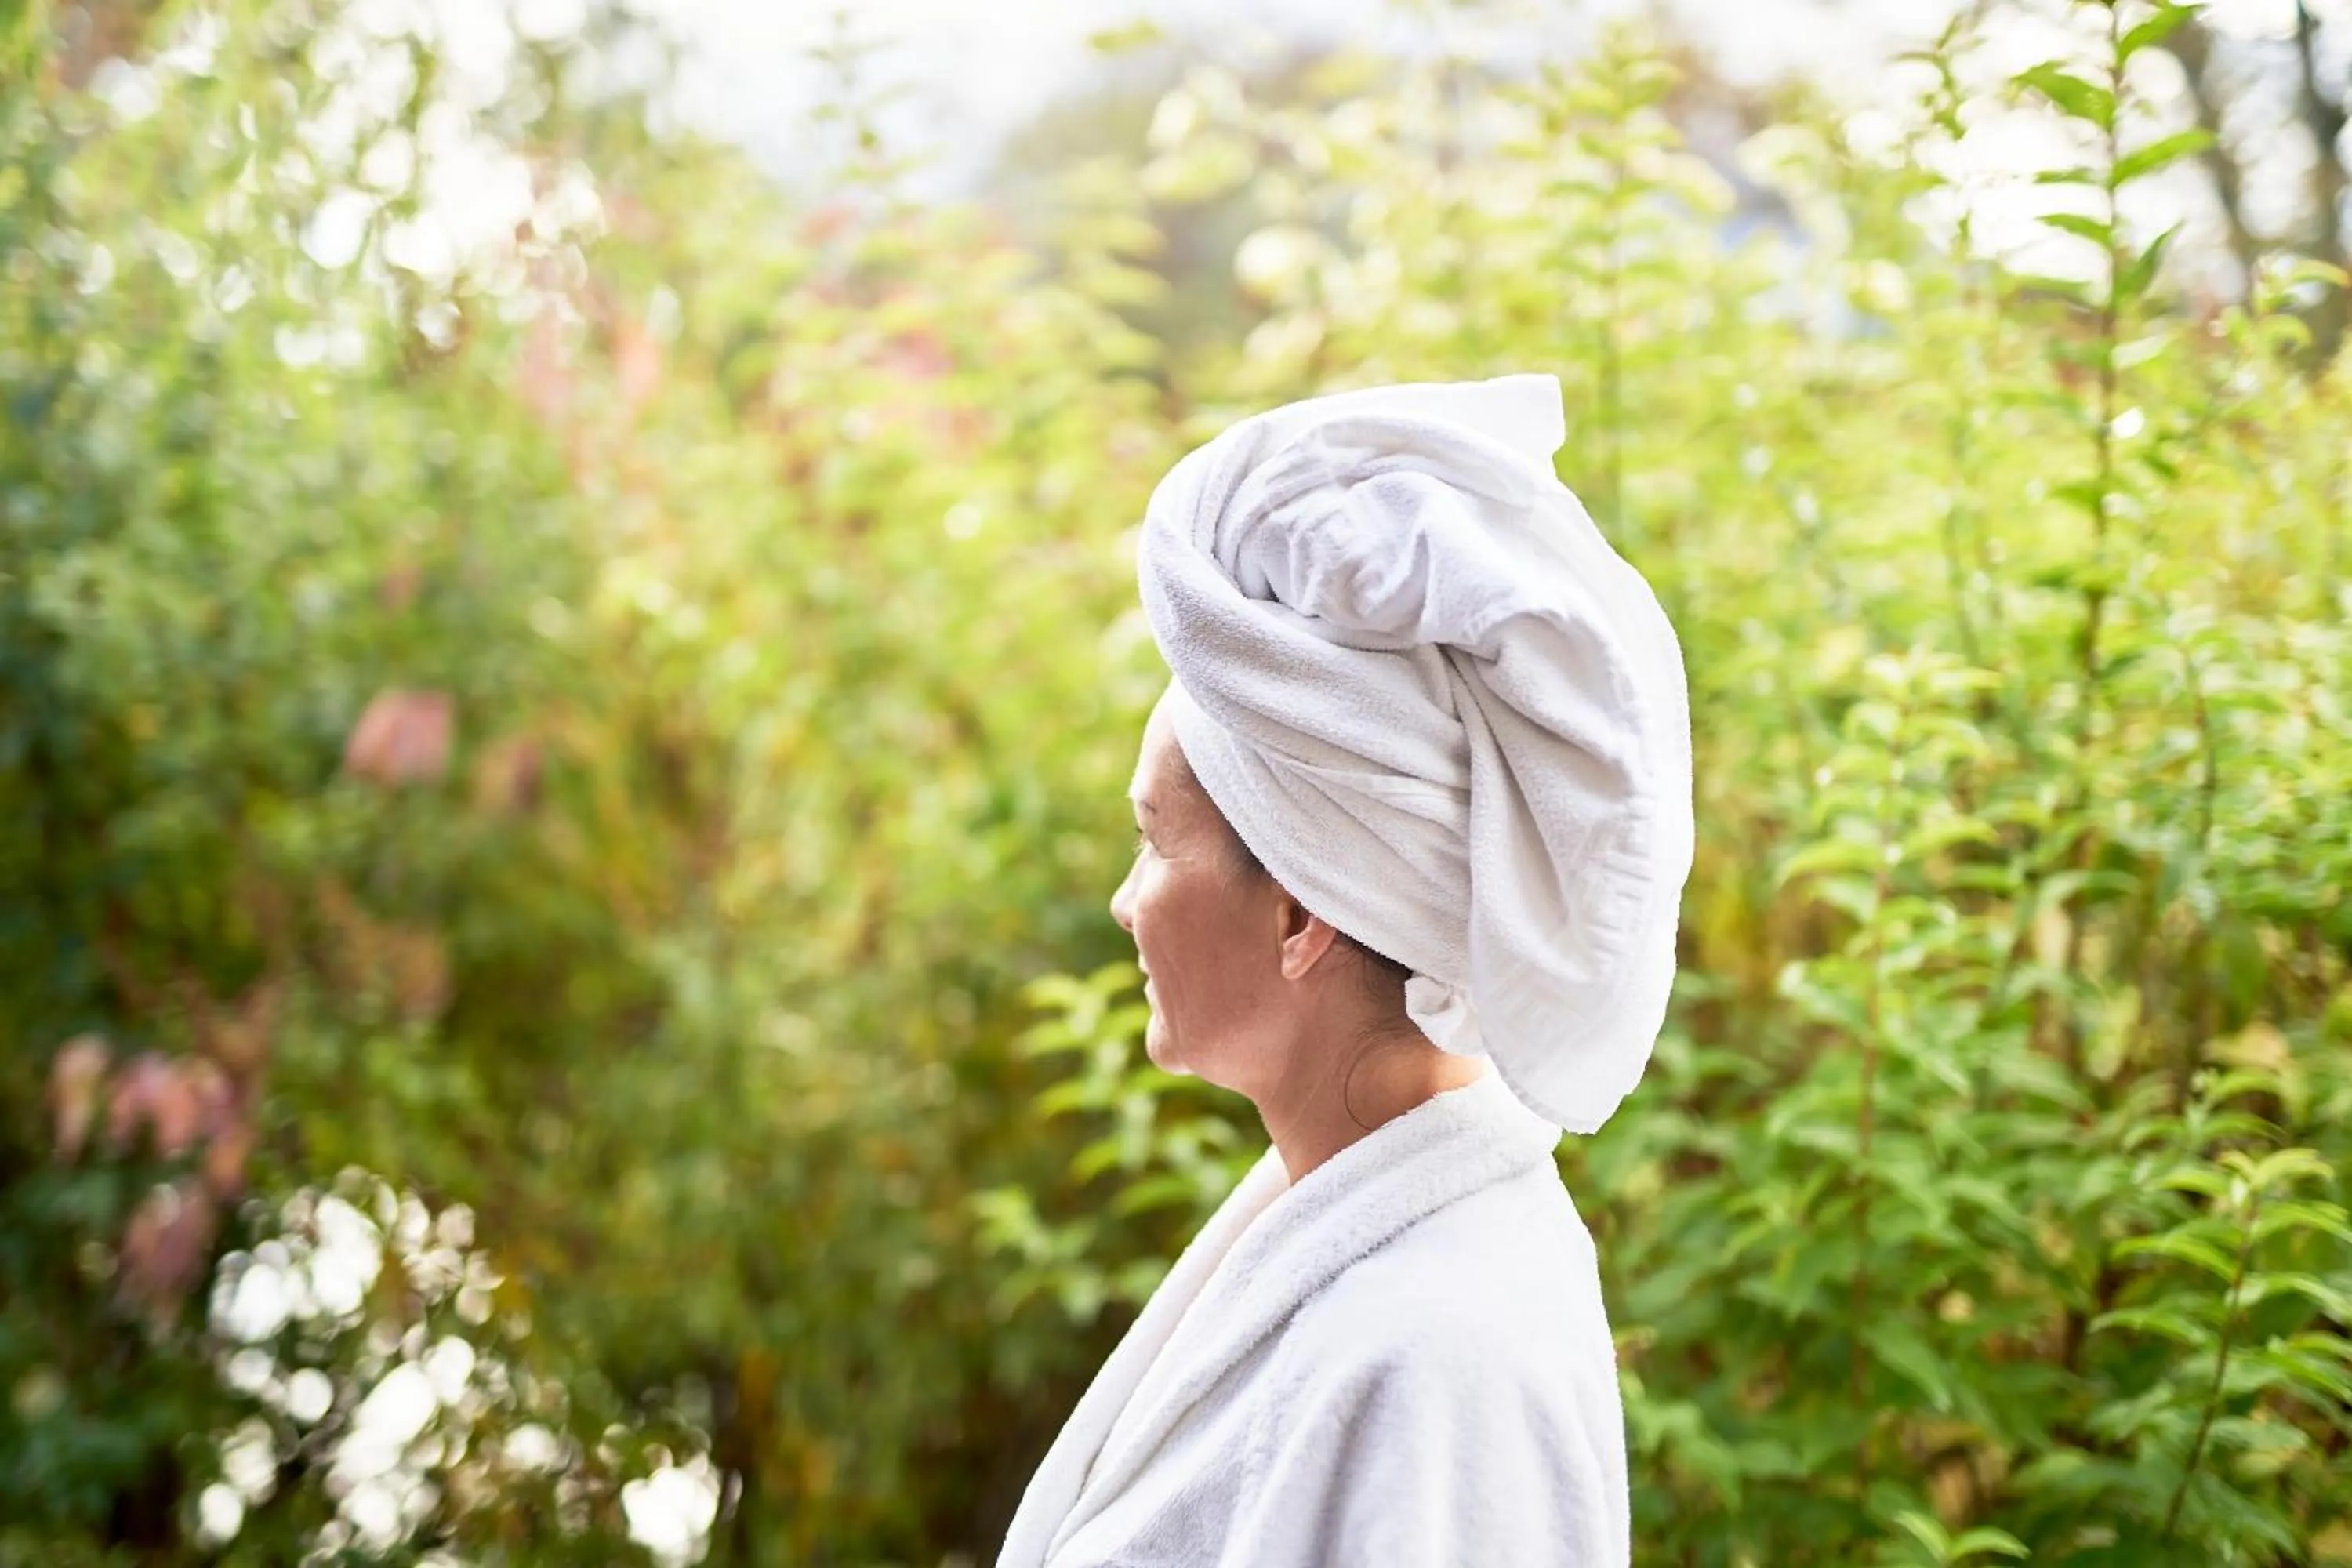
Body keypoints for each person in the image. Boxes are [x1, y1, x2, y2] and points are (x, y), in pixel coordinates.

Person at [996, 373, 1693, 1568]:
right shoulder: (1347, 1235)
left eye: (1158, 842)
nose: (1125, 901)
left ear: (1301, 911)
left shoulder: (1435, 1361)